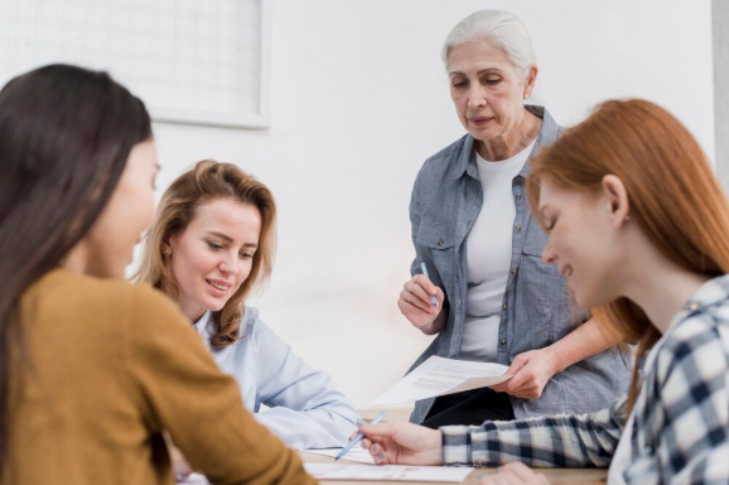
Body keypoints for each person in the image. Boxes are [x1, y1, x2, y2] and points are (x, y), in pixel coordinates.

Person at [360, 98, 729, 484]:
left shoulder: (703, 348)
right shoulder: (676, 342)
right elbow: (603, 436)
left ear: (614, 203)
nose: (548, 253)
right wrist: (441, 446)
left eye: (552, 223)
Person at [0, 64, 315, 485]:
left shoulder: (24, 305)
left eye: (246, 253)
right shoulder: (128, 316)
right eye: (149, 180)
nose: (150, 215)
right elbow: (274, 475)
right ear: (96, 182)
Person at [399, 9, 630, 427]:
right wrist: (429, 313)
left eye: (491, 79)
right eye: (460, 83)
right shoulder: (435, 178)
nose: (474, 100)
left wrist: (551, 359)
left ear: (528, 79)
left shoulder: (585, 168)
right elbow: (442, 311)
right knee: (384, 443)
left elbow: (627, 306)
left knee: (429, 448)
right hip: (454, 386)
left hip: (558, 388)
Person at [134, 159, 359, 451]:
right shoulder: (107, 324)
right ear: (168, 239)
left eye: (245, 254)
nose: (232, 268)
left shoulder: (245, 333)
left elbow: (342, 417)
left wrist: (234, 428)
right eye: (216, 245)